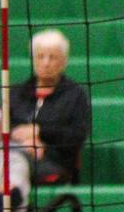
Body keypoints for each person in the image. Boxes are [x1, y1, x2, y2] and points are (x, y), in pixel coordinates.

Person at [9, 28, 92, 186]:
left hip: (54, 163)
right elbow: (2, 126)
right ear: (33, 59)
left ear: (64, 61)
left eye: (52, 57)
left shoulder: (75, 95)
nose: (46, 63)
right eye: (40, 56)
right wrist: (26, 142)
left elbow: (76, 136)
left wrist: (40, 133)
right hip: (14, 154)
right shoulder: (15, 93)